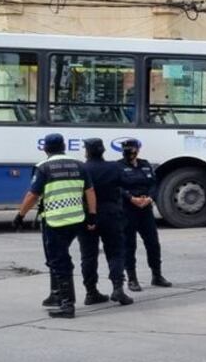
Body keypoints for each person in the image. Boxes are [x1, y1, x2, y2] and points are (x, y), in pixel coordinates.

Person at [14, 133, 97, 319]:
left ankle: (67, 305)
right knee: (59, 259)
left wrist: (20, 215)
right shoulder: (78, 165)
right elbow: (90, 191)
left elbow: (33, 195)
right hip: (76, 219)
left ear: (46, 148)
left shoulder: (43, 167)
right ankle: (56, 295)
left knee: (59, 261)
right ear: (64, 146)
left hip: (55, 220)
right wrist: (92, 215)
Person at [77, 138, 134, 307]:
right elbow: (126, 183)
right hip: (111, 214)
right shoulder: (114, 167)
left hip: (86, 215)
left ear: (87, 151)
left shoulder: (82, 168)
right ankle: (118, 288)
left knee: (88, 255)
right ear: (102, 151)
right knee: (115, 252)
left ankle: (90, 291)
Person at [119, 138, 172, 291]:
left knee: (153, 243)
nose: (132, 152)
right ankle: (132, 279)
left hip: (145, 209)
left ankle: (157, 275)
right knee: (129, 245)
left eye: (134, 149)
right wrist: (131, 198)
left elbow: (154, 184)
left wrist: (150, 198)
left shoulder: (145, 165)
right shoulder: (118, 166)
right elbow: (117, 187)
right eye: (129, 149)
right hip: (128, 210)